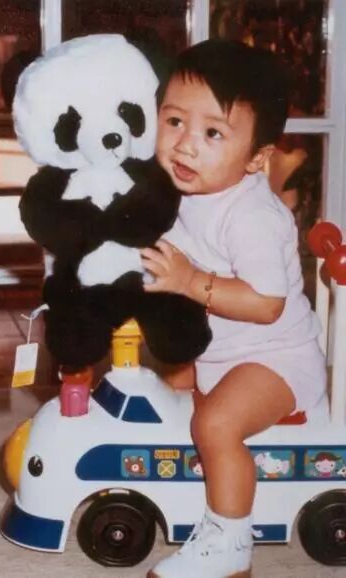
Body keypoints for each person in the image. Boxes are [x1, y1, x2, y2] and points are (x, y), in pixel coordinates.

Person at [140, 39, 327, 578]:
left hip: (278, 358)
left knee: (215, 423)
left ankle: (229, 545)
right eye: (175, 121)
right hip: (220, 349)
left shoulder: (251, 216)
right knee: (159, 397)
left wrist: (189, 281)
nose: (185, 145)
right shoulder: (181, 189)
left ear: (257, 158)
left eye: (213, 133)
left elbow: (267, 304)